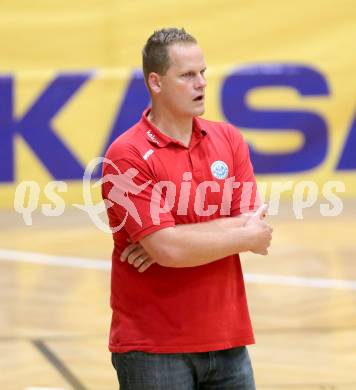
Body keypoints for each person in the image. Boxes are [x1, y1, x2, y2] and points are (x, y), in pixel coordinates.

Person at [102, 27, 273, 390]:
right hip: (154, 349)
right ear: (156, 82)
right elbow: (170, 249)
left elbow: (252, 220)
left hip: (228, 340)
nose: (201, 83)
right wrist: (238, 236)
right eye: (187, 75)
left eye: (203, 73)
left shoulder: (228, 138)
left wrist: (173, 239)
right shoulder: (126, 155)